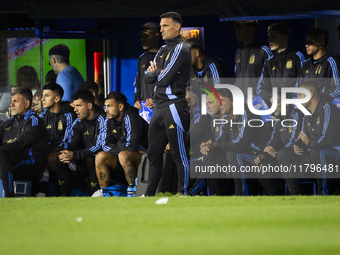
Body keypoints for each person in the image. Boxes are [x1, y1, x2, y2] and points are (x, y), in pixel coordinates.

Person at [144, 12, 191, 196]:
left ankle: (183, 193)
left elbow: (162, 80)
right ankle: (148, 196)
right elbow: (148, 77)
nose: (160, 29)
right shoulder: (163, 50)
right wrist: (158, 73)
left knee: (179, 155)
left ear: (177, 26)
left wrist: (158, 74)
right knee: (153, 155)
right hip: (159, 108)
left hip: (174, 106)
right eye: (160, 25)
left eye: (165, 26)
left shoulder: (181, 48)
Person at [201, 89, 271, 195]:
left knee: (233, 154)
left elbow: (241, 142)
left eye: (223, 100)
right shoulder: (227, 118)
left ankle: (240, 195)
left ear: (233, 102)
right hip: (243, 153)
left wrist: (216, 144)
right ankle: (215, 195)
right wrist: (209, 145)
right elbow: (222, 140)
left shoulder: (246, 113)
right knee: (209, 154)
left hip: (259, 152)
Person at [277, 81, 340, 195]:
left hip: (334, 155)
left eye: (299, 95)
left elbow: (327, 140)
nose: (297, 98)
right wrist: (297, 145)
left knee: (317, 152)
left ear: (310, 95)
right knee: (284, 153)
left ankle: (323, 194)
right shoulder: (307, 114)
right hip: (314, 153)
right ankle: (295, 195)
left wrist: (309, 143)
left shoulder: (328, 108)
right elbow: (302, 136)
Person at [94, 92, 148, 197]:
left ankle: (133, 191)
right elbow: (105, 144)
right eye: (105, 106)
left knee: (124, 154)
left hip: (146, 158)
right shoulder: (108, 119)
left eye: (109, 106)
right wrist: (121, 145)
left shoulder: (131, 117)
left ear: (120, 106)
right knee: (100, 156)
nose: (106, 110)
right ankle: (105, 192)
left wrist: (118, 144)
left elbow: (132, 147)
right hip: (125, 158)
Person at [56, 90, 106, 196]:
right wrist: (67, 153)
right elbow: (70, 142)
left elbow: (99, 146)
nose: (75, 110)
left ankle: (97, 194)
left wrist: (74, 154)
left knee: (90, 159)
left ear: (89, 105)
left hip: (101, 157)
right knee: (61, 159)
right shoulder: (78, 121)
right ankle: (63, 197)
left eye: (79, 106)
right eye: (74, 106)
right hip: (84, 156)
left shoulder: (102, 118)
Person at [253, 94, 304, 195]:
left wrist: (275, 154)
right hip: (282, 156)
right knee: (257, 162)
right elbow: (273, 141)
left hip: (299, 157)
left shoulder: (297, 114)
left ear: (287, 103)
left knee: (283, 154)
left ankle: (296, 196)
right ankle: (274, 198)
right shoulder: (278, 118)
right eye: (271, 103)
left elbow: (294, 142)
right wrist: (265, 154)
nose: (272, 107)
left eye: (276, 103)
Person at [0, 87, 47, 197]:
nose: (11, 105)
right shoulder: (8, 123)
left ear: (26, 104)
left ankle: (8, 196)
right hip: (9, 160)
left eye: (15, 101)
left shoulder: (34, 121)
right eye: (11, 101)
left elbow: (18, 144)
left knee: (1, 155)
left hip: (31, 163)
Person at [257, 23, 305, 105]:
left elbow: (303, 84)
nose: (269, 40)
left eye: (273, 36)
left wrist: (290, 100)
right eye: (269, 37)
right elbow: (260, 88)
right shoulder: (269, 62)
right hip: (275, 108)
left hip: (293, 106)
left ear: (284, 37)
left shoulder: (297, 57)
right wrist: (271, 96)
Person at [40, 83, 76, 173]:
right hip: (47, 151)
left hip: (64, 152)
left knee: (41, 161)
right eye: (42, 95)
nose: (42, 99)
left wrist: (47, 153)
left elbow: (67, 142)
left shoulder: (68, 115)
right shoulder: (43, 115)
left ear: (57, 99)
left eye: (46, 96)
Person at [296, 28, 340, 102]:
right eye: (307, 42)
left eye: (310, 43)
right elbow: (297, 87)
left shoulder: (331, 62)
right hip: (305, 107)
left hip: (322, 108)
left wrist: (319, 99)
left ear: (321, 45)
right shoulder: (305, 63)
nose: (306, 45)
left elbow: (337, 89)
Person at [234, 20, 273, 98]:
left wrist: (261, 97)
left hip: (259, 103)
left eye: (241, 29)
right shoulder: (238, 52)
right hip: (242, 103)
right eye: (236, 29)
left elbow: (272, 79)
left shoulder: (264, 51)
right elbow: (236, 78)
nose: (237, 32)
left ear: (251, 30)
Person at [134, 22, 161, 110]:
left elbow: (171, 84)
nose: (142, 39)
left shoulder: (166, 57)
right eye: (142, 37)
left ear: (156, 36)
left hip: (161, 108)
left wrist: (156, 99)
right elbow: (137, 83)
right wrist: (137, 100)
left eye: (146, 36)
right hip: (144, 108)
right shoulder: (141, 58)